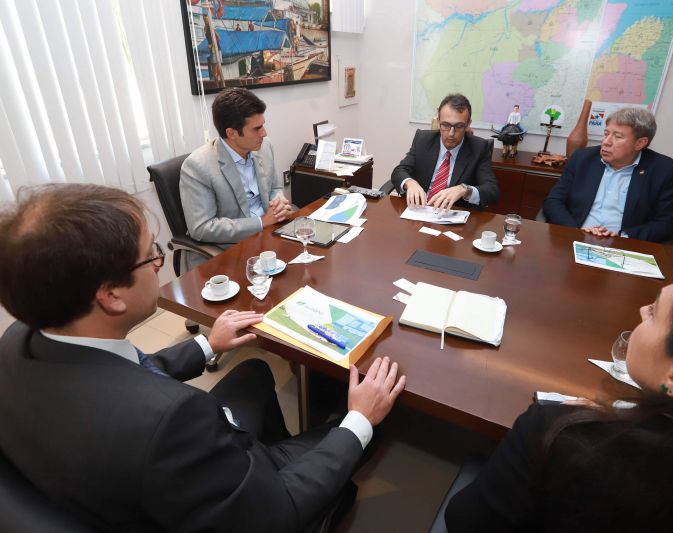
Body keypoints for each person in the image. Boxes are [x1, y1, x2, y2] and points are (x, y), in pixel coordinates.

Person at [0, 184, 406, 532]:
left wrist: (208, 344)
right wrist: (359, 420)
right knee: (366, 431)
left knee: (254, 372)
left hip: (135, 474)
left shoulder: (18, 342)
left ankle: (276, 448)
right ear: (110, 295)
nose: (159, 262)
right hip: (250, 497)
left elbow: (121, 375)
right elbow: (273, 515)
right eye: (151, 255)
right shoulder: (171, 421)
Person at [444, 256, 673, 532]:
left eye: (656, 313)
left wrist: (585, 425)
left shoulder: (562, 436)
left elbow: (462, 521)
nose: (642, 311)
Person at [180, 87, 293, 270]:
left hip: (268, 238)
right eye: (257, 128)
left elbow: (274, 188)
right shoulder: (197, 166)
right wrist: (262, 222)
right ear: (232, 133)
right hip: (228, 252)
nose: (264, 133)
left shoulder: (264, 147)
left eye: (263, 125)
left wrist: (278, 203)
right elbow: (201, 228)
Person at [542, 107, 673, 243]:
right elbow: (554, 201)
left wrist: (623, 237)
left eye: (617, 136)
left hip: (622, 246)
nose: (606, 142)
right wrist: (576, 231)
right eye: (606, 134)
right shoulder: (583, 158)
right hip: (575, 237)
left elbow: (665, 223)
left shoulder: (665, 171)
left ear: (640, 143)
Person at [390, 93, 500, 211]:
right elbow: (399, 171)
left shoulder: (479, 148)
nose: (451, 133)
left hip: (452, 215)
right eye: (446, 125)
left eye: (458, 126)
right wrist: (410, 182)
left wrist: (465, 190)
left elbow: (492, 190)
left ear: (468, 124)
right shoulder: (423, 139)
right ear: (438, 121)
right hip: (419, 210)